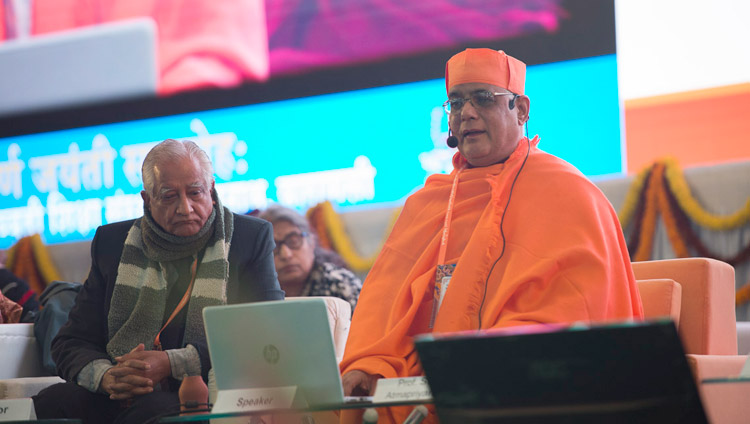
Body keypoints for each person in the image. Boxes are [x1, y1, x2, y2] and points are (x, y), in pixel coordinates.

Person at [339, 48, 643, 423]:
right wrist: (369, 362)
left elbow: (578, 313)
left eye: (483, 98)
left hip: (520, 392)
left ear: (521, 109)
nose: (466, 113)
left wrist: (482, 361)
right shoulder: (426, 203)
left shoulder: (569, 193)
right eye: (455, 102)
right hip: (421, 392)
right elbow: (380, 309)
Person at [32, 139, 284, 424]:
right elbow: (72, 341)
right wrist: (107, 376)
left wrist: (171, 363)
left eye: (195, 193)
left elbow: (266, 332)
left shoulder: (248, 238)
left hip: (198, 392)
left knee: (153, 410)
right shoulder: (113, 243)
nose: (185, 208)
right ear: (147, 199)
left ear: (211, 191)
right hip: (118, 393)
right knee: (50, 403)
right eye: (169, 196)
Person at [258, 204, 362, 311]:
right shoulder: (255, 293)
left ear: (311, 242)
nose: (286, 255)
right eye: (273, 247)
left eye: (294, 241)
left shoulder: (341, 284)